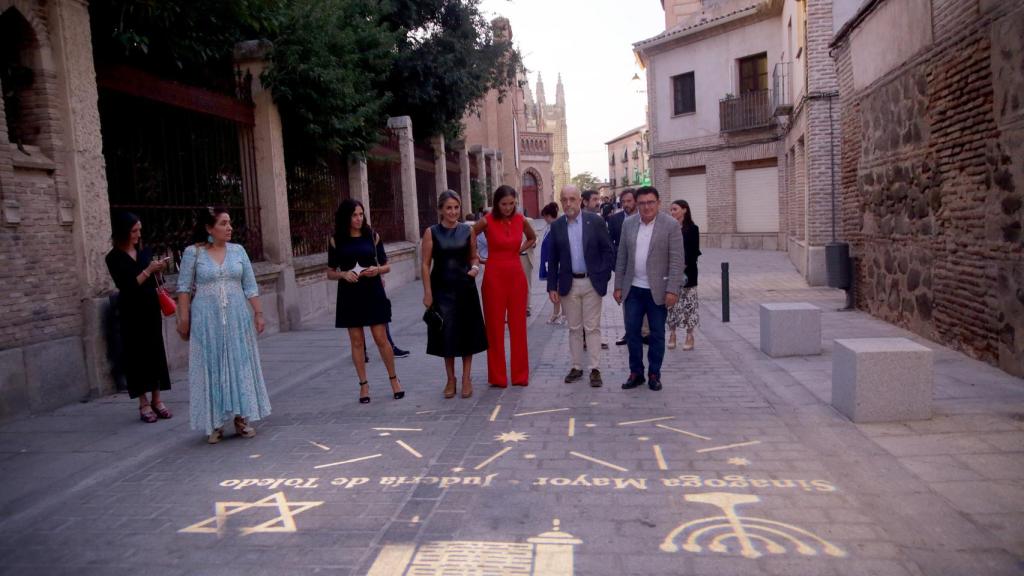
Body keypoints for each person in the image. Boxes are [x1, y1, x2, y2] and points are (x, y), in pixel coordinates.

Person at [176, 207, 271, 443]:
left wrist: (258, 313)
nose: (229, 228)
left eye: (230, 223)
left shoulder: (238, 251)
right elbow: (184, 288)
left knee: (239, 363)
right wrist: (184, 318)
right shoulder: (193, 253)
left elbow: (250, 285)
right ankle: (215, 423)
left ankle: (242, 417)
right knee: (212, 364)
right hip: (206, 320)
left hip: (237, 317)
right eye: (223, 223)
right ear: (210, 228)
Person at [326, 199, 404, 404]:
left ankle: (394, 380)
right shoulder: (336, 240)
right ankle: (363, 385)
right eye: (354, 215)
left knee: (381, 338)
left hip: (373, 290)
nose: (359, 218)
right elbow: (329, 272)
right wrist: (343, 275)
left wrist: (377, 270)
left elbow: (386, 265)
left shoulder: (373, 236)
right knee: (357, 341)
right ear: (346, 217)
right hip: (349, 295)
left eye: (361, 214)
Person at [613, 187, 685, 392]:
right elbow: (622, 258)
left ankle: (654, 374)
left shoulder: (670, 225)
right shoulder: (628, 224)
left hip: (658, 290)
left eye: (650, 202)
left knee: (656, 334)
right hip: (633, 289)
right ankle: (636, 373)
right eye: (642, 203)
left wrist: (672, 290)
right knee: (632, 333)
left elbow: (677, 260)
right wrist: (618, 286)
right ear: (637, 204)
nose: (646, 207)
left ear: (658, 203)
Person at [105, 211, 172, 423]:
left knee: (155, 352)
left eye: (139, 230)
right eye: (134, 230)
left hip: (150, 309)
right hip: (130, 312)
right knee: (136, 356)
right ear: (124, 232)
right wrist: (147, 270)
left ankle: (157, 399)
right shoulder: (113, 258)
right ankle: (143, 403)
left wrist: (158, 269)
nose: (138, 234)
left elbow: (153, 281)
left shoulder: (144, 251)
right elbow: (126, 286)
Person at [546, 186, 616, 387]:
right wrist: (552, 286)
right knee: (574, 328)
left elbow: (607, 250)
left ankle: (595, 369)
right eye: (564, 199)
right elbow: (553, 258)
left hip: (591, 282)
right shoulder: (557, 226)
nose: (568, 203)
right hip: (569, 284)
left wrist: (602, 274)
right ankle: (576, 367)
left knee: (592, 327)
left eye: (572, 199)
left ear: (580, 201)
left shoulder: (595, 221)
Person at [421, 191, 488, 399]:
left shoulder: (468, 231)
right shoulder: (432, 232)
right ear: (440, 210)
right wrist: (427, 293)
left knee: (467, 333)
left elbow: (474, 258)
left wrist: (475, 270)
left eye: (456, 207)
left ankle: (467, 378)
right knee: (446, 334)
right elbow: (425, 264)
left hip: (465, 288)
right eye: (448, 208)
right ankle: (451, 379)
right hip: (441, 290)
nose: (453, 212)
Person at [472, 186, 537, 387]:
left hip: (517, 277)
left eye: (512, 203)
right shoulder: (487, 220)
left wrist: (520, 249)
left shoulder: (521, 220)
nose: (508, 207)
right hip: (493, 278)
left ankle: (520, 376)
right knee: (494, 328)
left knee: (519, 327)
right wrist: (475, 257)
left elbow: (533, 238)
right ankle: (497, 377)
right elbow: (470, 235)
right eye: (504, 204)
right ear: (497, 203)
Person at [667, 199, 701, 350]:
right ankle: (672, 334)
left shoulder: (692, 229)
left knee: (689, 305)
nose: (672, 212)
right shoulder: (669, 228)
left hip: (688, 273)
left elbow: (693, 252)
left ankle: (689, 336)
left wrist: (681, 267)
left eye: (675, 209)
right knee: (672, 305)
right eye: (671, 210)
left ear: (684, 210)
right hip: (671, 273)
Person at [608, 189, 638, 347]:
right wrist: (616, 262)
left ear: (636, 201)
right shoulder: (614, 220)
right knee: (627, 300)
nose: (626, 204)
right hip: (625, 268)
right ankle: (630, 332)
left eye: (629, 201)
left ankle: (645, 333)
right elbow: (610, 243)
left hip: (643, 268)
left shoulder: (644, 218)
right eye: (623, 201)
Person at [538, 202, 565, 324]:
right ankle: (556, 312)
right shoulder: (550, 227)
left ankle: (563, 314)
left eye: (544, 217)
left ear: (549, 216)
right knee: (554, 289)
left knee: (560, 289)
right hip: (550, 262)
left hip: (557, 264)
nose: (544, 220)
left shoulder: (558, 226)